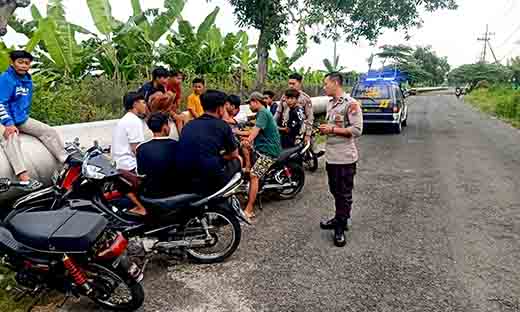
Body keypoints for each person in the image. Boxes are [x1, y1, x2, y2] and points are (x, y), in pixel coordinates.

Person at [0, 50, 67, 190]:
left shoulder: (27, 80)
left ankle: (65, 161)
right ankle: (23, 177)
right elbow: (1, 102)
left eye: (26, 63)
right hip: (3, 118)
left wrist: (19, 120)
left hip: (20, 118)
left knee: (49, 131)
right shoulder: (6, 79)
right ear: (12, 63)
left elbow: (22, 104)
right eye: (20, 62)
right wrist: (8, 123)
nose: (24, 66)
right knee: (11, 137)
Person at [319, 72, 363, 248]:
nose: (324, 87)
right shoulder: (330, 104)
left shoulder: (351, 104)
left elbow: (357, 130)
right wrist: (325, 130)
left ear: (335, 83)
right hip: (332, 157)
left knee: (344, 194)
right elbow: (334, 126)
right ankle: (339, 218)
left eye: (326, 84)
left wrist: (331, 130)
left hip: (345, 158)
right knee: (335, 191)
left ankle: (340, 228)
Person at [177, 90, 241, 195]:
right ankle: (228, 194)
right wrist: (220, 158)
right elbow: (234, 154)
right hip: (209, 180)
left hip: (184, 178)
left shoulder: (189, 125)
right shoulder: (223, 126)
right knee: (238, 160)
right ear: (219, 109)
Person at [242, 92, 282, 220]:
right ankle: (247, 167)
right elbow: (254, 130)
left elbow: (254, 132)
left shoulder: (263, 113)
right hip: (262, 147)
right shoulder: (261, 112)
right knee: (244, 147)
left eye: (250, 103)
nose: (249, 106)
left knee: (254, 175)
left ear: (255, 102)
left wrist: (248, 140)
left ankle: (249, 209)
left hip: (269, 151)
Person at [112, 92, 148, 216]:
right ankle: (142, 207)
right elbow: (136, 149)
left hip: (120, 163)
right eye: (143, 102)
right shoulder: (134, 121)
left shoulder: (125, 120)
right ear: (135, 104)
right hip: (129, 164)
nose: (145, 105)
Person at [136, 112, 179, 199]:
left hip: (151, 194)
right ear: (165, 127)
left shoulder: (141, 148)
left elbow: (141, 172)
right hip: (175, 192)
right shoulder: (178, 145)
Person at [274, 73, 314, 143]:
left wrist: (308, 135)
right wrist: (273, 124)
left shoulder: (305, 98)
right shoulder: (284, 96)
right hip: (285, 129)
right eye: (289, 83)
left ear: (300, 83)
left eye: (293, 84)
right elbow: (278, 112)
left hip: (298, 132)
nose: (291, 86)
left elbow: (309, 117)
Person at [223, 94, 252, 173]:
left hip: (243, 137)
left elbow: (226, 121)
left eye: (226, 104)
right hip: (235, 137)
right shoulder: (229, 113)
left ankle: (247, 166)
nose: (225, 106)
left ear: (232, 106)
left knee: (243, 144)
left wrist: (224, 110)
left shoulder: (241, 115)